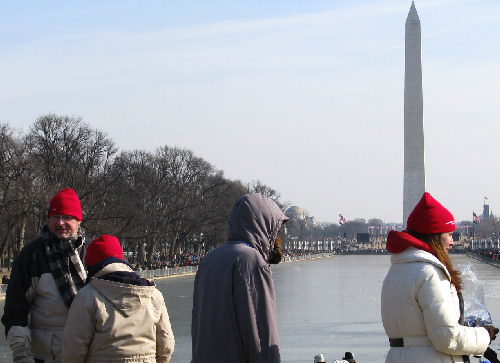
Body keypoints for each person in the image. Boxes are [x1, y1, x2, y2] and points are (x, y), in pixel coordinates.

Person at [381, 192, 498, 363]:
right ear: (434, 236)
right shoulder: (429, 274)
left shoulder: (395, 271)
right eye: (449, 235)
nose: (453, 242)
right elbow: (446, 337)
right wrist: (484, 334)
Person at [191, 193, 288, 363]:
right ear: (264, 224)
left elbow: (197, 326)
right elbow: (260, 333)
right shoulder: (250, 260)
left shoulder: (209, 258)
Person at [1, 188, 88, 363]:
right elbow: (15, 310)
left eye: (67, 217)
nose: (61, 223)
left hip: (88, 352)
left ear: (79, 220)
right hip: (45, 356)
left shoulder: (92, 252)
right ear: (48, 219)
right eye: (55, 217)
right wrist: (21, 355)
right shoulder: (31, 255)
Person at [62, 235, 174, 362]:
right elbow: (166, 343)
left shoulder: (87, 296)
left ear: (90, 266)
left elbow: (73, 348)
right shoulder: (153, 295)